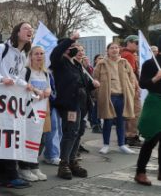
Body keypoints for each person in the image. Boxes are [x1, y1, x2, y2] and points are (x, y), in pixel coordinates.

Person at [0, 22, 33, 188]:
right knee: (6, 135)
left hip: (12, 100)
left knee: (9, 136)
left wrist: (26, 85)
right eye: (26, 28)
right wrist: (1, 79)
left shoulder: (22, 55)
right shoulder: (1, 48)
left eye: (31, 29)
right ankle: (11, 175)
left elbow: (18, 77)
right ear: (17, 32)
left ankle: (2, 176)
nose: (29, 31)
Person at [50, 34, 99, 180]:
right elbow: (57, 51)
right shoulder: (59, 62)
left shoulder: (76, 64)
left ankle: (72, 160)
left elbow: (82, 82)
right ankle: (63, 163)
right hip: (69, 104)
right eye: (71, 47)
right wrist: (70, 40)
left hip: (81, 103)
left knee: (79, 131)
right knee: (70, 131)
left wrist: (92, 85)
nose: (74, 49)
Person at [93, 42, 137, 155]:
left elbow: (132, 78)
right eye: (112, 48)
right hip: (108, 97)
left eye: (116, 48)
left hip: (122, 96)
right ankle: (106, 145)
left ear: (119, 50)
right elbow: (94, 80)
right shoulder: (101, 64)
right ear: (107, 50)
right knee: (107, 121)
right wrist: (99, 93)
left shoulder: (124, 62)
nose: (114, 50)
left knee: (121, 122)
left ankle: (122, 144)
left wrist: (131, 90)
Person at [17, 46, 51, 181]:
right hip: (28, 111)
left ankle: (33, 165)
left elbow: (48, 87)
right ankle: (23, 168)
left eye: (42, 54)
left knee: (40, 139)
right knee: (28, 138)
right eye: (36, 54)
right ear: (30, 56)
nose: (39, 56)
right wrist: (35, 91)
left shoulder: (46, 73)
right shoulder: (26, 71)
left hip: (42, 111)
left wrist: (48, 91)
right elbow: (20, 88)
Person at [134, 52, 161, 185]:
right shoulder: (150, 63)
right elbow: (143, 84)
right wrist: (155, 78)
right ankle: (140, 172)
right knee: (151, 139)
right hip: (155, 102)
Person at [120, 35, 143, 147]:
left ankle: (126, 136)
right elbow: (131, 74)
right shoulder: (128, 55)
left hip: (125, 89)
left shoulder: (123, 54)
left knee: (129, 113)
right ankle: (132, 136)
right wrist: (137, 88)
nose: (138, 45)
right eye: (136, 42)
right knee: (135, 112)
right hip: (130, 89)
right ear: (129, 42)